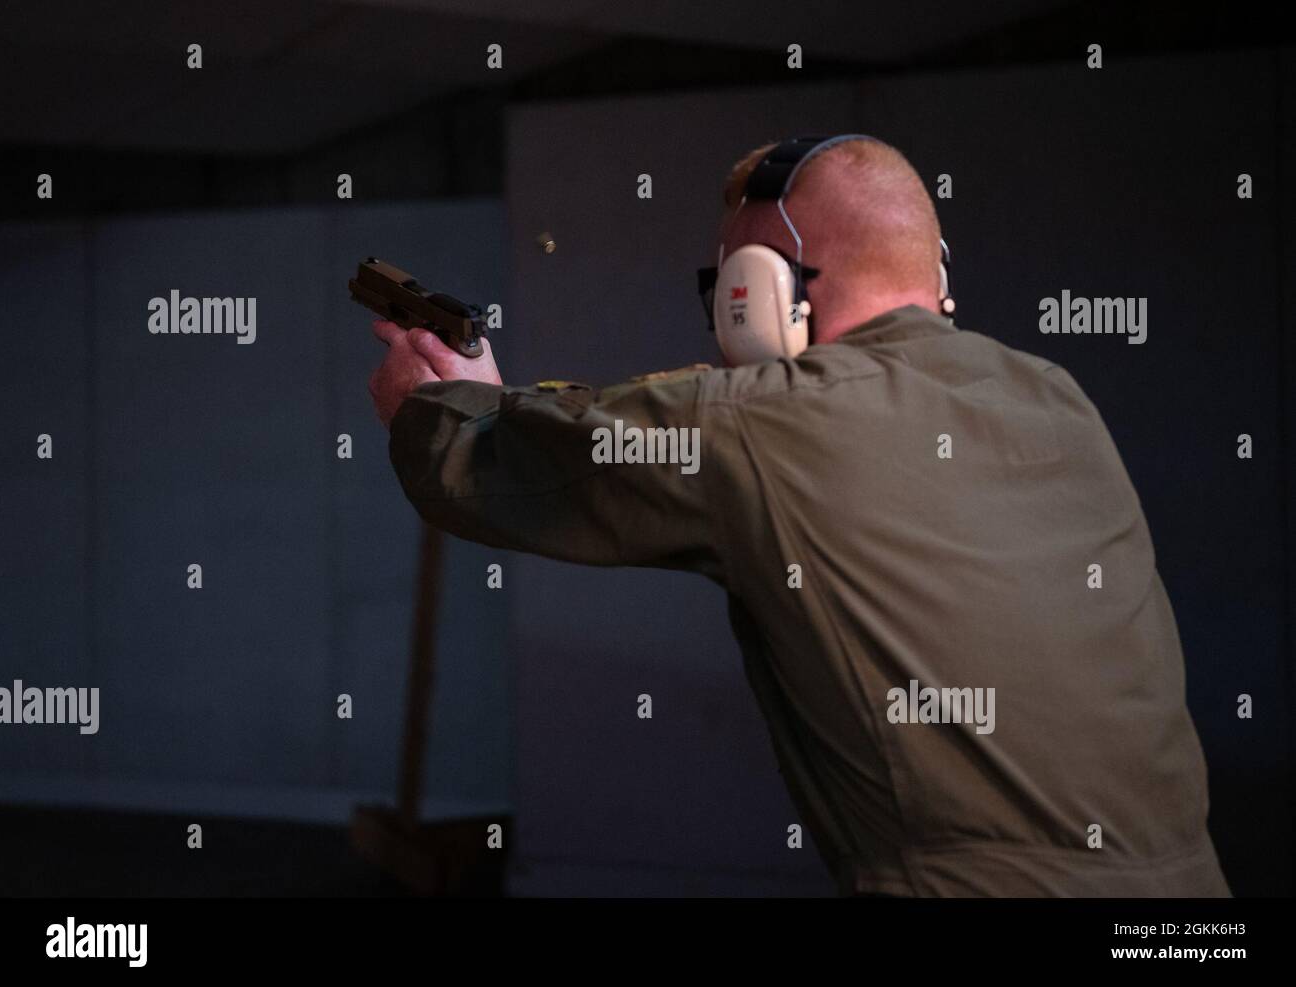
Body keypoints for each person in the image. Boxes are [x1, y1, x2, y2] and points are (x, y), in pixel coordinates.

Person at [366, 134, 1230, 897]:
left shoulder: (761, 420)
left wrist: (438, 401)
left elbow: (494, 468)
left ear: (761, 285)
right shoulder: (1058, 400)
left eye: (726, 281)